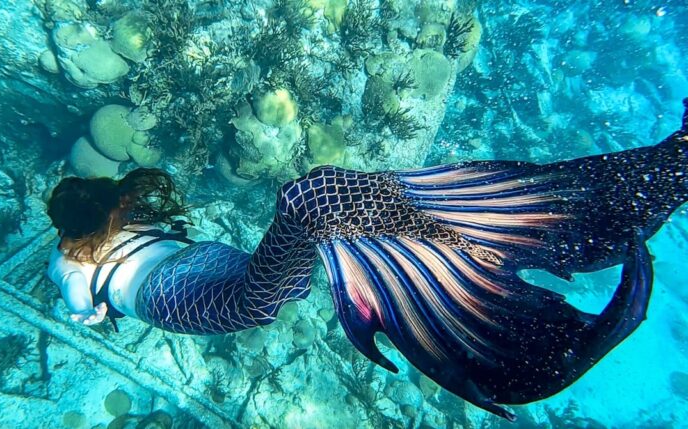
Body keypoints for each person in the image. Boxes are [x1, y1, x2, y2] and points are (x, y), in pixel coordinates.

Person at [47, 99, 688, 420]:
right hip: (211, 293)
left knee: (313, 214)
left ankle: (460, 243)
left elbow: (93, 302)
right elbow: (88, 307)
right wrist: (98, 304)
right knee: (310, 199)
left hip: (216, 279)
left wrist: (102, 304)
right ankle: (462, 246)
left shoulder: (87, 250)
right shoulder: (85, 252)